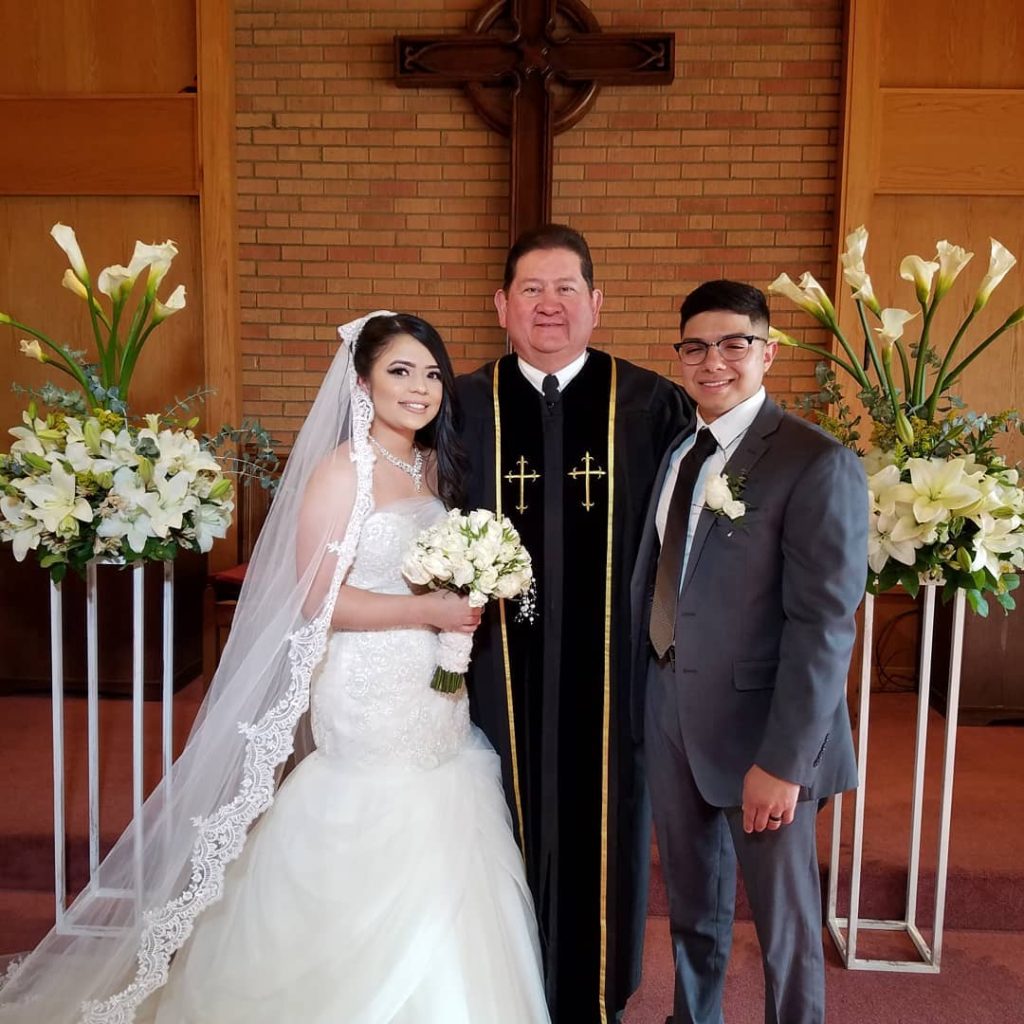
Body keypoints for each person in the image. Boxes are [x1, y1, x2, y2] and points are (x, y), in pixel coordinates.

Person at [0, 313, 550, 1024]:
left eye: (433, 373)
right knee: (375, 813)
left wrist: (466, 595)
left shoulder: (435, 466)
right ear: (362, 383)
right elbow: (318, 599)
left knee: (446, 807)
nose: (421, 388)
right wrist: (430, 614)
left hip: (434, 688)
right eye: (400, 371)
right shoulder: (338, 472)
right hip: (365, 685)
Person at [456, 224, 692, 1023]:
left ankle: (595, 996)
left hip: (612, 674)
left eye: (566, 289)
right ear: (500, 306)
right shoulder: (461, 406)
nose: (548, 306)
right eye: (531, 289)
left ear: (598, 303)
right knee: (494, 822)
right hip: (495, 675)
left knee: (608, 825)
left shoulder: (654, 404)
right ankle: (502, 994)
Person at [630, 280, 867, 1024]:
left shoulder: (814, 461)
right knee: (694, 905)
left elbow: (825, 625)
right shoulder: (679, 450)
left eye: (735, 343)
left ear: (768, 352)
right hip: (672, 708)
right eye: (696, 347)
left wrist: (786, 762)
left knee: (784, 925)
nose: (714, 362)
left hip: (767, 734)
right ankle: (693, 1017)